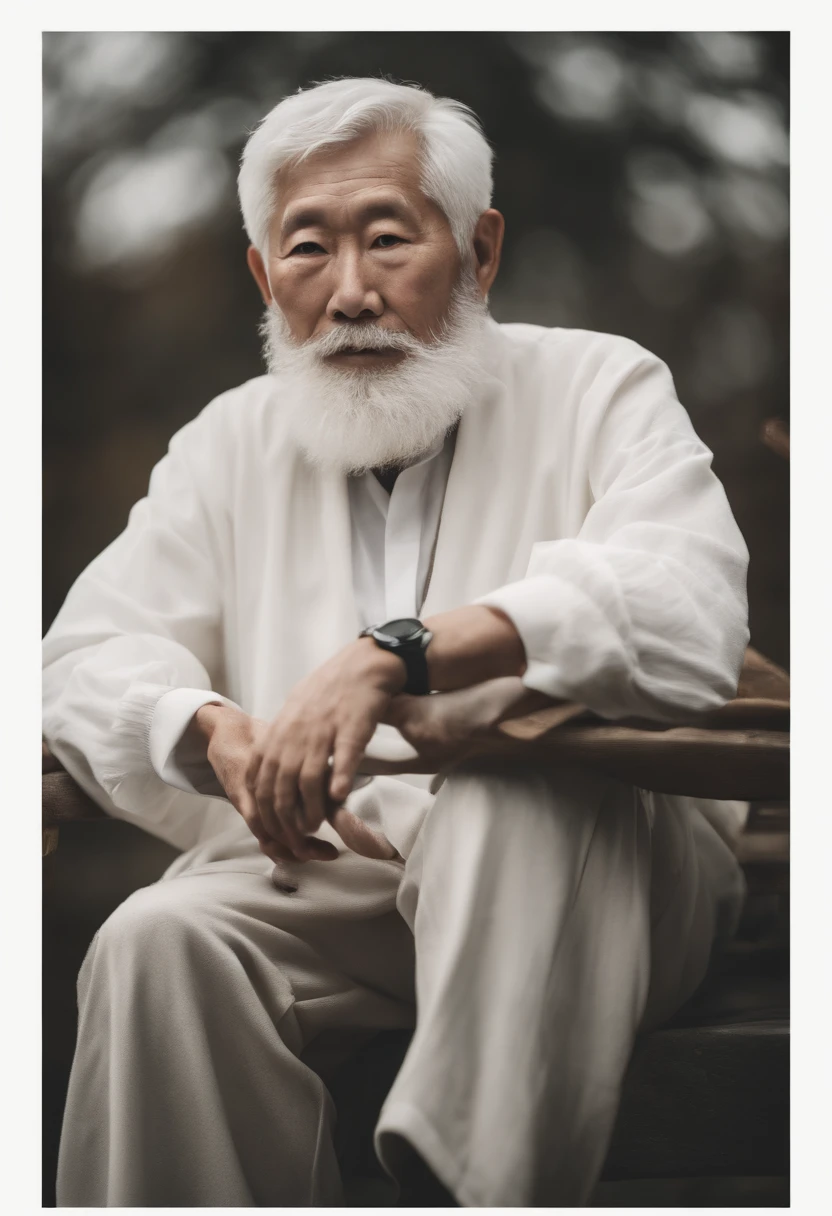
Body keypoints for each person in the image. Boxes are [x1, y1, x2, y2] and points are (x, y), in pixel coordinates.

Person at [43, 77, 749, 1207]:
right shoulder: (229, 442)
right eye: (309, 248)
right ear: (263, 275)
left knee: (508, 792)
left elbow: (685, 603)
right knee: (156, 938)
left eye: (388, 238)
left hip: (599, 883)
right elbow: (79, 659)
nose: (351, 292)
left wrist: (396, 652)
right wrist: (207, 728)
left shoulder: (599, 382)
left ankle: (461, 1182)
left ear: (479, 250)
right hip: (349, 883)